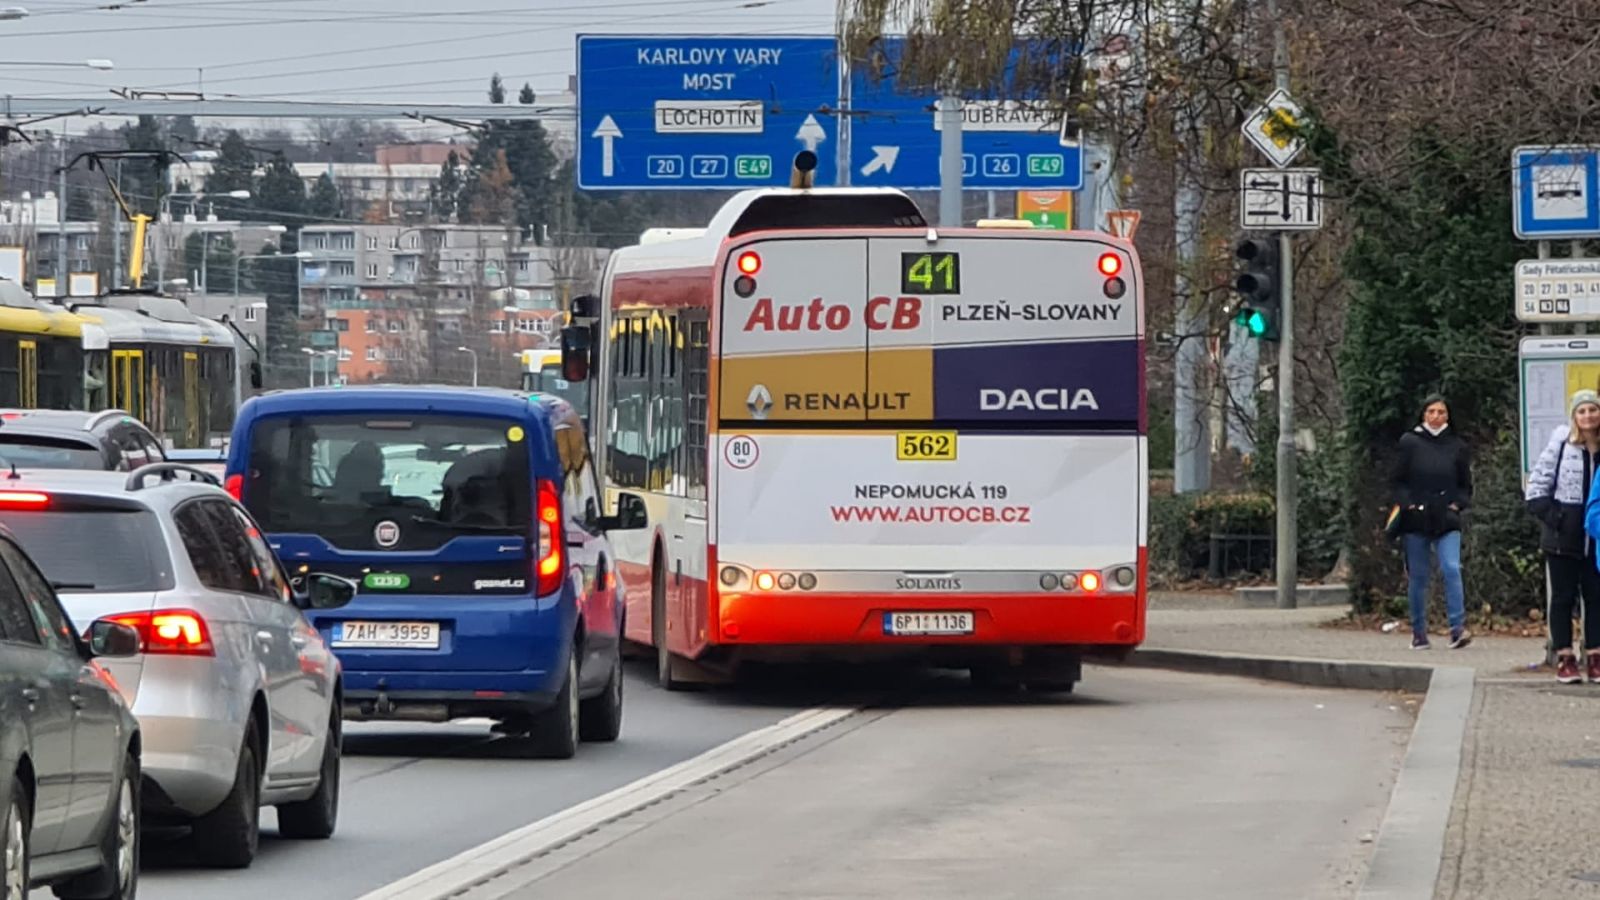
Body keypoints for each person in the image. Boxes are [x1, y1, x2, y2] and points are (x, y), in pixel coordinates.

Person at [1391, 394, 1472, 650]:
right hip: (1416, 517)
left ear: (1448, 416)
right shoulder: (1410, 442)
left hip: (1446, 516)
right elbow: (1397, 480)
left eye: (1441, 412)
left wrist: (1457, 504)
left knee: (1451, 567)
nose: (1436, 416)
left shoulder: (1457, 445)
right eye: (1431, 412)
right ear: (1423, 415)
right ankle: (1418, 631)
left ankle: (1457, 628)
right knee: (1419, 576)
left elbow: (1465, 484)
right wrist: (1408, 504)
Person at [1535, 390, 1600, 683]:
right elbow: (1538, 486)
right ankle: (1565, 656)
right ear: (1574, 416)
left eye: (1593, 410)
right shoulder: (1561, 443)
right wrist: (1554, 517)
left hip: (1595, 536)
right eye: (1582, 411)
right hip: (1564, 535)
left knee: (1596, 596)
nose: (1588, 416)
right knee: (1562, 597)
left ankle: (1595, 655)